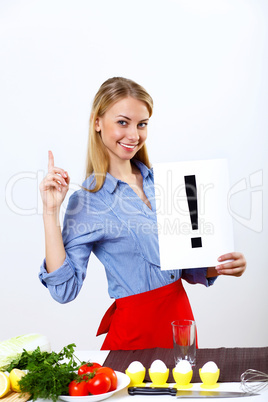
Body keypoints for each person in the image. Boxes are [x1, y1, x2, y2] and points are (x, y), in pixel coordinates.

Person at [39, 77, 246, 350]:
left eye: (142, 124)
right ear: (97, 122)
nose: (134, 135)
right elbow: (64, 291)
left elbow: (182, 264)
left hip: (180, 323)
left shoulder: (167, 182)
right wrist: (50, 212)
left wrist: (221, 265)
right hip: (134, 334)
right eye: (123, 122)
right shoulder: (87, 203)